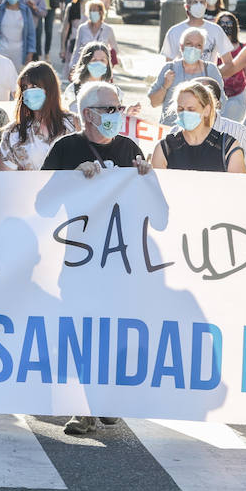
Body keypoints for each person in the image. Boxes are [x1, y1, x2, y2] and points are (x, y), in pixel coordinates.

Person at [48, 79, 155, 439]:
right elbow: (41, 204)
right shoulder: (65, 149)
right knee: (80, 334)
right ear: (87, 114)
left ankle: (105, 400)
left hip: (119, 262)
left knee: (112, 335)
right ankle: (82, 408)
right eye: (110, 109)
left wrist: (147, 180)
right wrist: (70, 178)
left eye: (119, 108)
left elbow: (155, 212)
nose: (117, 115)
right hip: (79, 260)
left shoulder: (128, 148)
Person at [0, 62, 77, 171]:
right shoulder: (13, 132)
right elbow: (7, 178)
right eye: (24, 87)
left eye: (34, 86)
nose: (28, 91)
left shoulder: (73, 123)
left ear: (49, 88)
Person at [151, 82, 246, 173]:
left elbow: (237, 186)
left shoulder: (227, 146)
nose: (185, 114)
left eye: (191, 109)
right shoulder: (165, 148)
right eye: (180, 109)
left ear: (206, 110)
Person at [149, 28, 222, 125]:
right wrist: (165, 86)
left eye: (198, 45)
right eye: (189, 44)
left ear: (202, 49)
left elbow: (221, 105)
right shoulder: (169, 68)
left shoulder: (210, 70)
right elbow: (154, 103)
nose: (193, 48)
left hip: (201, 134)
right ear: (181, 46)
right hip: (170, 131)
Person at [161, 0, 232, 64]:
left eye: (202, 2)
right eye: (195, 2)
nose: (199, 5)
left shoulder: (216, 30)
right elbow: (168, 64)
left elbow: (228, 63)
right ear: (187, 7)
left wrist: (214, 73)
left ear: (205, 6)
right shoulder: (174, 31)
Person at [0, 0, 37, 70]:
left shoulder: (26, 10)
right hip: (1, 51)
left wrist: (30, 53)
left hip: (20, 52)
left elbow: (31, 33)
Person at [213, 11, 246, 120]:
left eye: (229, 23)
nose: (225, 26)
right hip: (217, 95)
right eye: (222, 23)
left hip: (238, 94)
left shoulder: (243, 47)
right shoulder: (212, 48)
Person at [66, 0, 117, 70]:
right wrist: (72, 66)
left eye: (95, 10)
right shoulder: (82, 28)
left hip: (102, 68)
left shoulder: (108, 29)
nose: (92, 13)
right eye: (90, 10)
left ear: (101, 12)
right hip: (85, 67)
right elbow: (77, 49)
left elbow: (114, 49)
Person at [64, 43, 114, 114]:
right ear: (85, 62)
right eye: (94, 60)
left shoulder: (114, 92)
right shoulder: (72, 90)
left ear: (108, 64)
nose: (98, 63)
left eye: (102, 60)